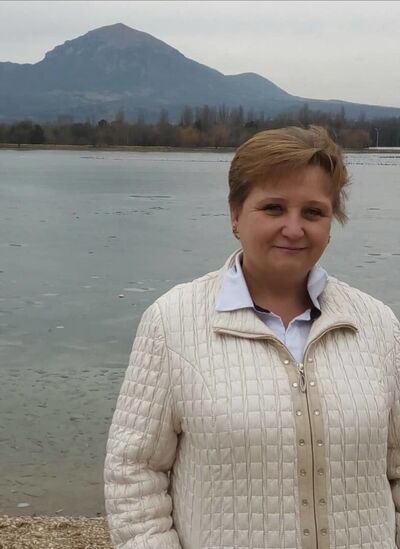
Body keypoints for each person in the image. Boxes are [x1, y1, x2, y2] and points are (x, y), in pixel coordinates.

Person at [104, 126, 400, 549]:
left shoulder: (377, 324)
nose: (294, 229)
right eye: (274, 208)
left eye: (313, 212)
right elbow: (134, 473)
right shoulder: (172, 322)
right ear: (235, 215)